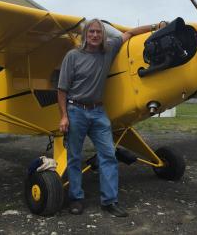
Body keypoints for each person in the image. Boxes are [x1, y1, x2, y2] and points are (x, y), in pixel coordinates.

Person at [57, 18, 166, 217]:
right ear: (85, 35)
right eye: (91, 32)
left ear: (103, 35)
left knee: (108, 155)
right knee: (74, 157)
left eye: (99, 32)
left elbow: (130, 33)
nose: (95, 35)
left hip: (98, 112)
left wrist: (155, 27)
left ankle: (109, 201)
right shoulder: (72, 56)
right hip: (76, 111)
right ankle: (76, 199)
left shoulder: (108, 50)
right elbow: (62, 89)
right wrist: (64, 116)